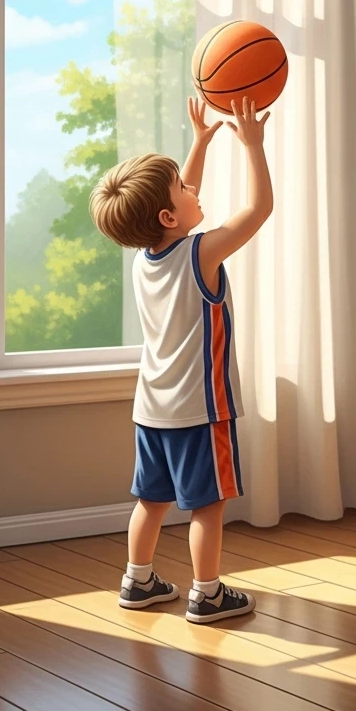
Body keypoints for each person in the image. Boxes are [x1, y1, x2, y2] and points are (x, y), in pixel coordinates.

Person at [88, 95, 273, 623]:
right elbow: (258, 210)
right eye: (184, 189)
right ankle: (208, 593)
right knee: (207, 506)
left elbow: (174, 209)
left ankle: (138, 581)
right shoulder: (202, 253)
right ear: (169, 214)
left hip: (152, 409)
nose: (195, 189)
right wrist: (253, 147)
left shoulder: (147, 259)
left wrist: (200, 143)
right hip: (202, 409)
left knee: (150, 500)